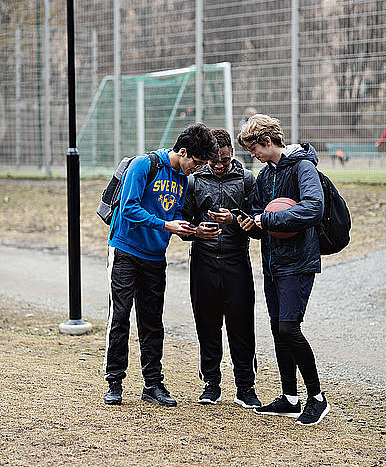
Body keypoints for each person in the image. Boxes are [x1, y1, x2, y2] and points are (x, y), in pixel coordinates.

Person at [103, 123, 219, 407]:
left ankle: (152, 384)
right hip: (125, 251)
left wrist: (191, 230)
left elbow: (174, 212)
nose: (198, 168)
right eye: (197, 162)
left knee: (152, 321)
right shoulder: (145, 165)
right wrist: (165, 224)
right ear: (182, 151)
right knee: (120, 316)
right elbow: (129, 207)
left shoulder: (181, 179)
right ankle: (114, 381)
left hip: (155, 257)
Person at [237, 114, 330, 426]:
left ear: (267, 141)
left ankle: (317, 398)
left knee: (290, 328)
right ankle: (290, 398)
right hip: (272, 263)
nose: (253, 156)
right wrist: (250, 224)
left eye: (254, 150)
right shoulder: (266, 176)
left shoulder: (303, 166)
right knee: (279, 329)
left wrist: (269, 220)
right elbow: (260, 217)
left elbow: (313, 208)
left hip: (298, 262)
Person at [181, 128, 261, 409]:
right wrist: (195, 231)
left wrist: (234, 218)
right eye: (214, 161)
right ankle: (211, 384)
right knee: (207, 324)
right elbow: (182, 221)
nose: (218, 166)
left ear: (232, 155)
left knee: (241, 325)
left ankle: (246, 387)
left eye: (224, 161)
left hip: (236, 261)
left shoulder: (247, 179)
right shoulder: (193, 181)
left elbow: (256, 224)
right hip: (203, 261)